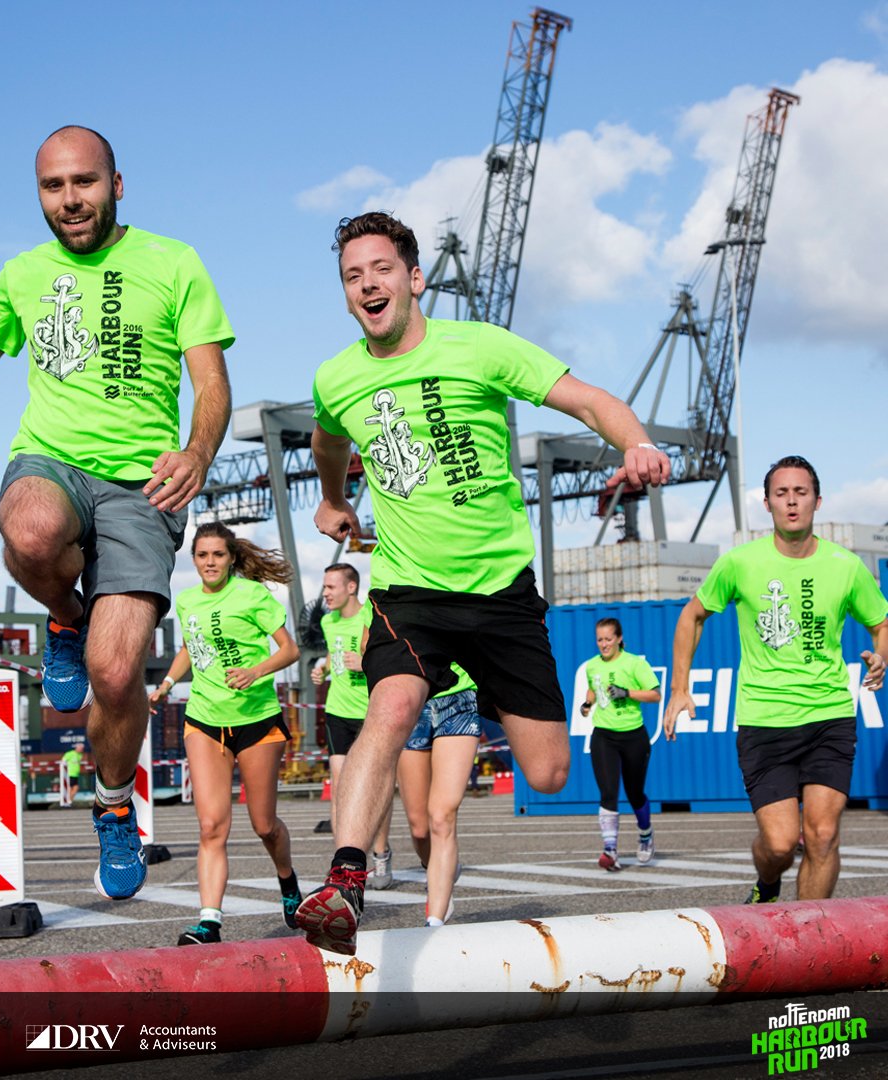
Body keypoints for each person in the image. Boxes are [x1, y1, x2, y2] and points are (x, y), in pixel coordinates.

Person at [0, 126, 234, 902]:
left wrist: (197, 453)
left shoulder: (173, 262)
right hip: (53, 462)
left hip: (143, 488)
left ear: (117, 185)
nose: (70, 200)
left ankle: (110, 805)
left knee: (112, 673)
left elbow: (210, 382)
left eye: (85, 183)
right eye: (53, 186)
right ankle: (63, 617)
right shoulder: (22, 273)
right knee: (28, 526)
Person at [294, 210, 671, 954]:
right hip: (410, 594)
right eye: (352, 276)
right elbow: (327, 435)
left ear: (414, 278)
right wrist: (334, 498)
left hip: (501, 595)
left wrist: (636, 442)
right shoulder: (337, 377)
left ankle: (487, 691)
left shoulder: (482, 347)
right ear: (345, 294)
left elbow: (589, 400)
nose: (368, 284)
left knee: (551, 770)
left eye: (381, 269)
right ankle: (344, 880)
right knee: (393, 703)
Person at [664, 455, 888, 903]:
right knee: (781, 844)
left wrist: (881, 655)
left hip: (828, 717)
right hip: (764, 722)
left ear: (817, 501)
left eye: (800, 493)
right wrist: (679, 688)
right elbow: (692, 615)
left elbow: (882, 622)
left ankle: (810, 944)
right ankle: (767, 883)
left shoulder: (846, 566)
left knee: (822, 836)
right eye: (781, 494)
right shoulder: (739, 564)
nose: (791, 502)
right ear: (767, 504)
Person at [149, 522, 302, 945]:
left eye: (217, 555)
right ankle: (210, 921)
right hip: (204, 720)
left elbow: (290, 650)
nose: (210, 563)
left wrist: (255, 671)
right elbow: (190, 647)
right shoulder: (187, 601)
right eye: (202, 555)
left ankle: (287, 880)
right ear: (194, 559)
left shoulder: (252, 595)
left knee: (263, 824)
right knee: (212, 825)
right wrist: (164, 686)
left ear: (231, 557)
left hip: (257, 720)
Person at [310, 562, 394, 888]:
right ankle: (342, 867)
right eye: (324, 586)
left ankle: (381, 852)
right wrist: (324, 669)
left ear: (351, 587)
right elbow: (335, 655)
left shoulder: (369, 618)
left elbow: (388, 662)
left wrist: (365, 663)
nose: (325, 593)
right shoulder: (327, 622)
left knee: (374, 787)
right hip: (338, 712)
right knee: (340, 785)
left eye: (331, 587)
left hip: (369, 713)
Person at [397, 665, 482, 926]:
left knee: (442, 817)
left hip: (459, 698)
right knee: (419, 828)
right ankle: (440, 871)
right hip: (410, 700)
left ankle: (434, 923)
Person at [579, 617, 661, 871]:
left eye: (608, 639)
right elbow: (593, 688)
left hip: (633, 735)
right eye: (600, 639)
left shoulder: (635, 663)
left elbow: (655, 695)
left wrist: (627, 693)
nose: (603, 644)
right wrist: (587, 703)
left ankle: (646, 835)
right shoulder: (592, 666)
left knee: (635, 793)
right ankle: (610, 850)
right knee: (608, 792)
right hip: (604, 735)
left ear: (619, 639)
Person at [61, 741, 85, 806]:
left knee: (75, 788)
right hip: (70, 774)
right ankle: (68, 800)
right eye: (81, 748)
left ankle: (69, 800)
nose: (82, 749)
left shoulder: (80, 755)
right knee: (71, 788)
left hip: (76, 774)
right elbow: (63, 761)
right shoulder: (69, 754)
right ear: (77, 748)